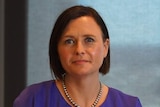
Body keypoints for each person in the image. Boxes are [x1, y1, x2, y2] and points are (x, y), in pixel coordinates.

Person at [13, 5, 142, 107]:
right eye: (69, 41)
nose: (79, 50)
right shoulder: (32, 100)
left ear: (105, 47)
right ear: (57, 49)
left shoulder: (129, 104)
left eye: (89, 40)